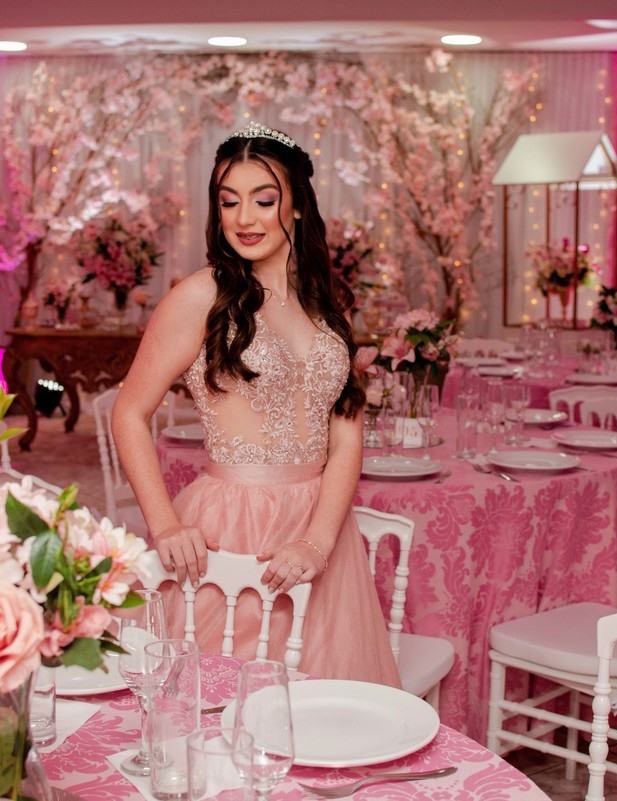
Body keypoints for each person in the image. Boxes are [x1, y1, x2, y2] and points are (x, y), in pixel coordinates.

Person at [111, 122, 400, 687]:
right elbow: (129, 413)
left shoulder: (327, 302)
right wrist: (164, 525)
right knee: (222, 698)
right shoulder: (199, 296)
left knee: (323, 701)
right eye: (229, 201)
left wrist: (319, 540)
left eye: (264, 200)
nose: (244, 218)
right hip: (232, 527)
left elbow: (346, 434)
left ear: (297, 206)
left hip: (321, 531)